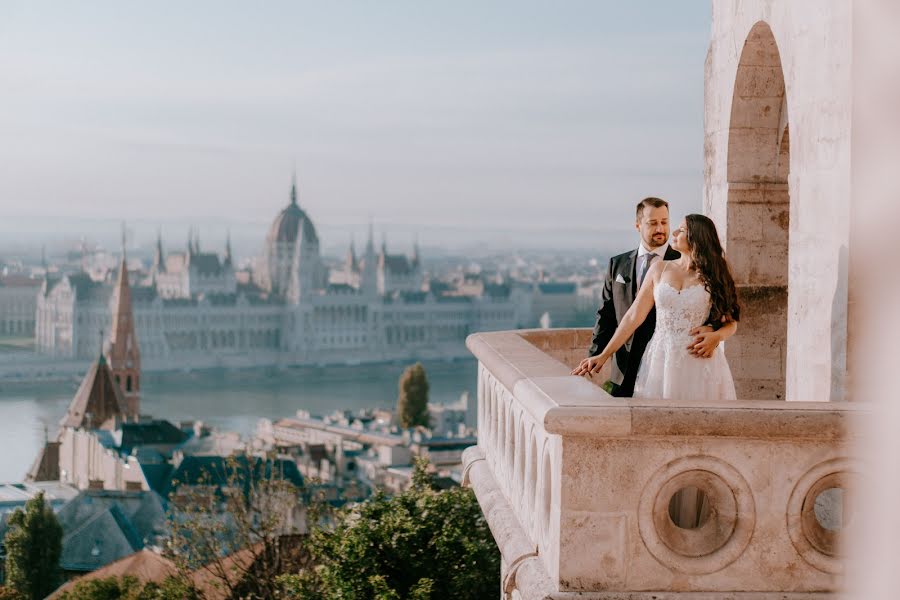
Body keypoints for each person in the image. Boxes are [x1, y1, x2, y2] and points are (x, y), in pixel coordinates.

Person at [574, 213, 739, 402]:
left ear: (698, 237)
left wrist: (717, 336)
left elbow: (731, 322)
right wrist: (603, 355)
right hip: (660, 359)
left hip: (700, 360)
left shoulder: (716, 274)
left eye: (682, 229)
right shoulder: (659, 268)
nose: (674, 232)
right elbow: (633, 316)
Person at [587, 197, 712, 398]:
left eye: (664, 222)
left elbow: (721, 313)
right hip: (624, 367)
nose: (661, 229)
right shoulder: (617, 264)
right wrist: (597, 356)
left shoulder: (687, 261)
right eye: (653, 223)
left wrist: (715, 333)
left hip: (670, 363)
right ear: (638, 225)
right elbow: (607, 315)